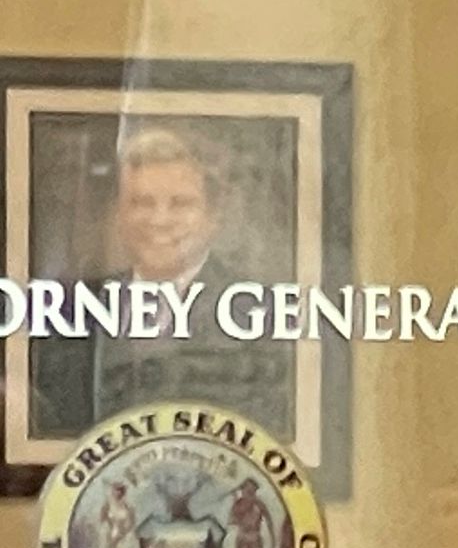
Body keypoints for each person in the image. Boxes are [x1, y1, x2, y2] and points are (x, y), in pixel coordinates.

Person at [26, 125, 296, 443]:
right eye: (142, 202)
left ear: (213, 215)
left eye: (180, 203)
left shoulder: (262, 315)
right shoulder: (73, 310)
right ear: (119, 213)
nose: (159, 219)